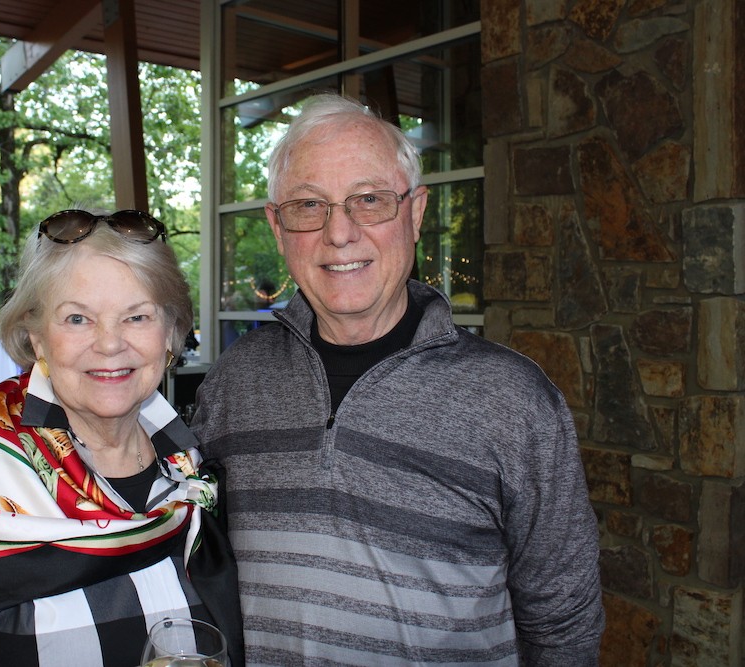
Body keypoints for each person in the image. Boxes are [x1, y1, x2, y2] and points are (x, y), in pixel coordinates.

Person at [191, 94, 605, 666]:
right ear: (277, 226)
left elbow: (563, 623)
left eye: (369, 200)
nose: (340, 233)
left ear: (415, 212)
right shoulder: (233, 384)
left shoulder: (512, 401)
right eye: (309, 205)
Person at [0, 210, 244, 666]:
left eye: (137, 316)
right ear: (37, 339)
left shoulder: (193, 466)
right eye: (77, 318)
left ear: (170, 333)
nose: (110, 344)